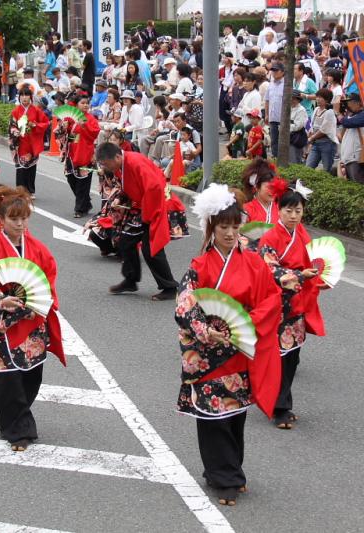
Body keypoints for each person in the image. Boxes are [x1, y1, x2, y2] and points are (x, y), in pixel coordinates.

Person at [176, 183, 282, 506]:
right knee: (213, 418)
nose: (230, 233)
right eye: (223, 226)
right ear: (211, 227)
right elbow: (184, 305)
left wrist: (247, 324)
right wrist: (207, 331)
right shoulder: (200, 266)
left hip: (239, 348)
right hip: (208, 354)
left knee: (234, 416)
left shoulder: (252, 262)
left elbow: (272, 298)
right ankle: (225, 478)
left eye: (235, 227)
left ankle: (229, 469)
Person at [0, 185, 66, 452]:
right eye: (13, 218)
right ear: (1, 220)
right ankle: (17, 429)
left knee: (32, 376)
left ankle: (12, 418)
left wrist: (41, 302)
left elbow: (48, 280)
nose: (20, 223)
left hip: (32, 322)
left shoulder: (39, 250)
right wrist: (0, 301)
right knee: (9, 377)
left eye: (24, 217)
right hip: (2, 325)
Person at [258, 181, 326, 430]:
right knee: (280, 357)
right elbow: (269, 267)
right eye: (289, 210)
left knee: (292, 355)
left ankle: (280, 401)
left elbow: (315, 261)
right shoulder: (270, 237)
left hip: (298, 301)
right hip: (277, 301)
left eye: (298, 211)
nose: (294, 215)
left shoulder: (302, 233)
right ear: (278, 210)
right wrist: (298, 276)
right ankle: (280, 407)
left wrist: (321, 276)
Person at [95, 142, 179, 300]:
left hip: (156, 205)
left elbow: (154, 187)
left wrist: (147, 217)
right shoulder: (122, 165)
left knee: (151, 248)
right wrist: (121, 198)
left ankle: (170, 287)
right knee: (125, 241)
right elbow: (128, 188)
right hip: (142, 205)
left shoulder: (135, 162)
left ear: (117, 156)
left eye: (107, 163)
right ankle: (130, 280)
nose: (107, 167)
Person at [59, 94, 99, 217]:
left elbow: (94, 133)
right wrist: (64, 128)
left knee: (83, 182)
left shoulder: (91, 119)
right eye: (82, 103)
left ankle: (80, 209)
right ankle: (85, 202)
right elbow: (69, 136)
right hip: (72, 152)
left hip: (85, 152)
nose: (85, 105)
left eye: (87, 103)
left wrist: (84, 125)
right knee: (71, 178)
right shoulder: (72, 118)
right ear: (76, 105)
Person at [10, 86, 48, 197]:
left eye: (27, 95)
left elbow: (45, 123)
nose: (24, 97)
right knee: (21, 167)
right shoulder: (16, 111)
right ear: (19, 97)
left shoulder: (36, 110)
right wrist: (16, 132)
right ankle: (20, 191)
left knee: (31, 167)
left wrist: (35, 125)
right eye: (22, 95)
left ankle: (30, 190)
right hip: (20, 142)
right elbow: (12, 126)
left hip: (33, 142)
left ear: (30, 97)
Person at [305, 88, 338, 173]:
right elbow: (312, 124)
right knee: (308, 167)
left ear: (327, 99)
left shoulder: (329, 112)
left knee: (326, 170)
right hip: (316, 143)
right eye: (317, 97)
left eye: (321, 97)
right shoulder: (316, 109)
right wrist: (310, 132)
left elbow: (324, 130)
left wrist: (311, 138)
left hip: (327, 144)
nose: (318, 99)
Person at [338, 94, 364, 184]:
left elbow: (349, 123)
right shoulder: (349, 116)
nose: (348, 105)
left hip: (356, 157)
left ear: (358, 103)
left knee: (358, 184)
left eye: (349, 103)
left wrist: (339, 115)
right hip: (347, 156)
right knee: (349, 185)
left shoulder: (362, 115)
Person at [288, 93, 309, 164]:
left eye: (294, 98)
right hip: (288, 137)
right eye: (291, 98)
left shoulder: (301, 110)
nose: (292, 100)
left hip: (296, 138)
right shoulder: (288, 108)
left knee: (294, 160)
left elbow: (298, 126)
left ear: (298, 100)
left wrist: (286, 127)